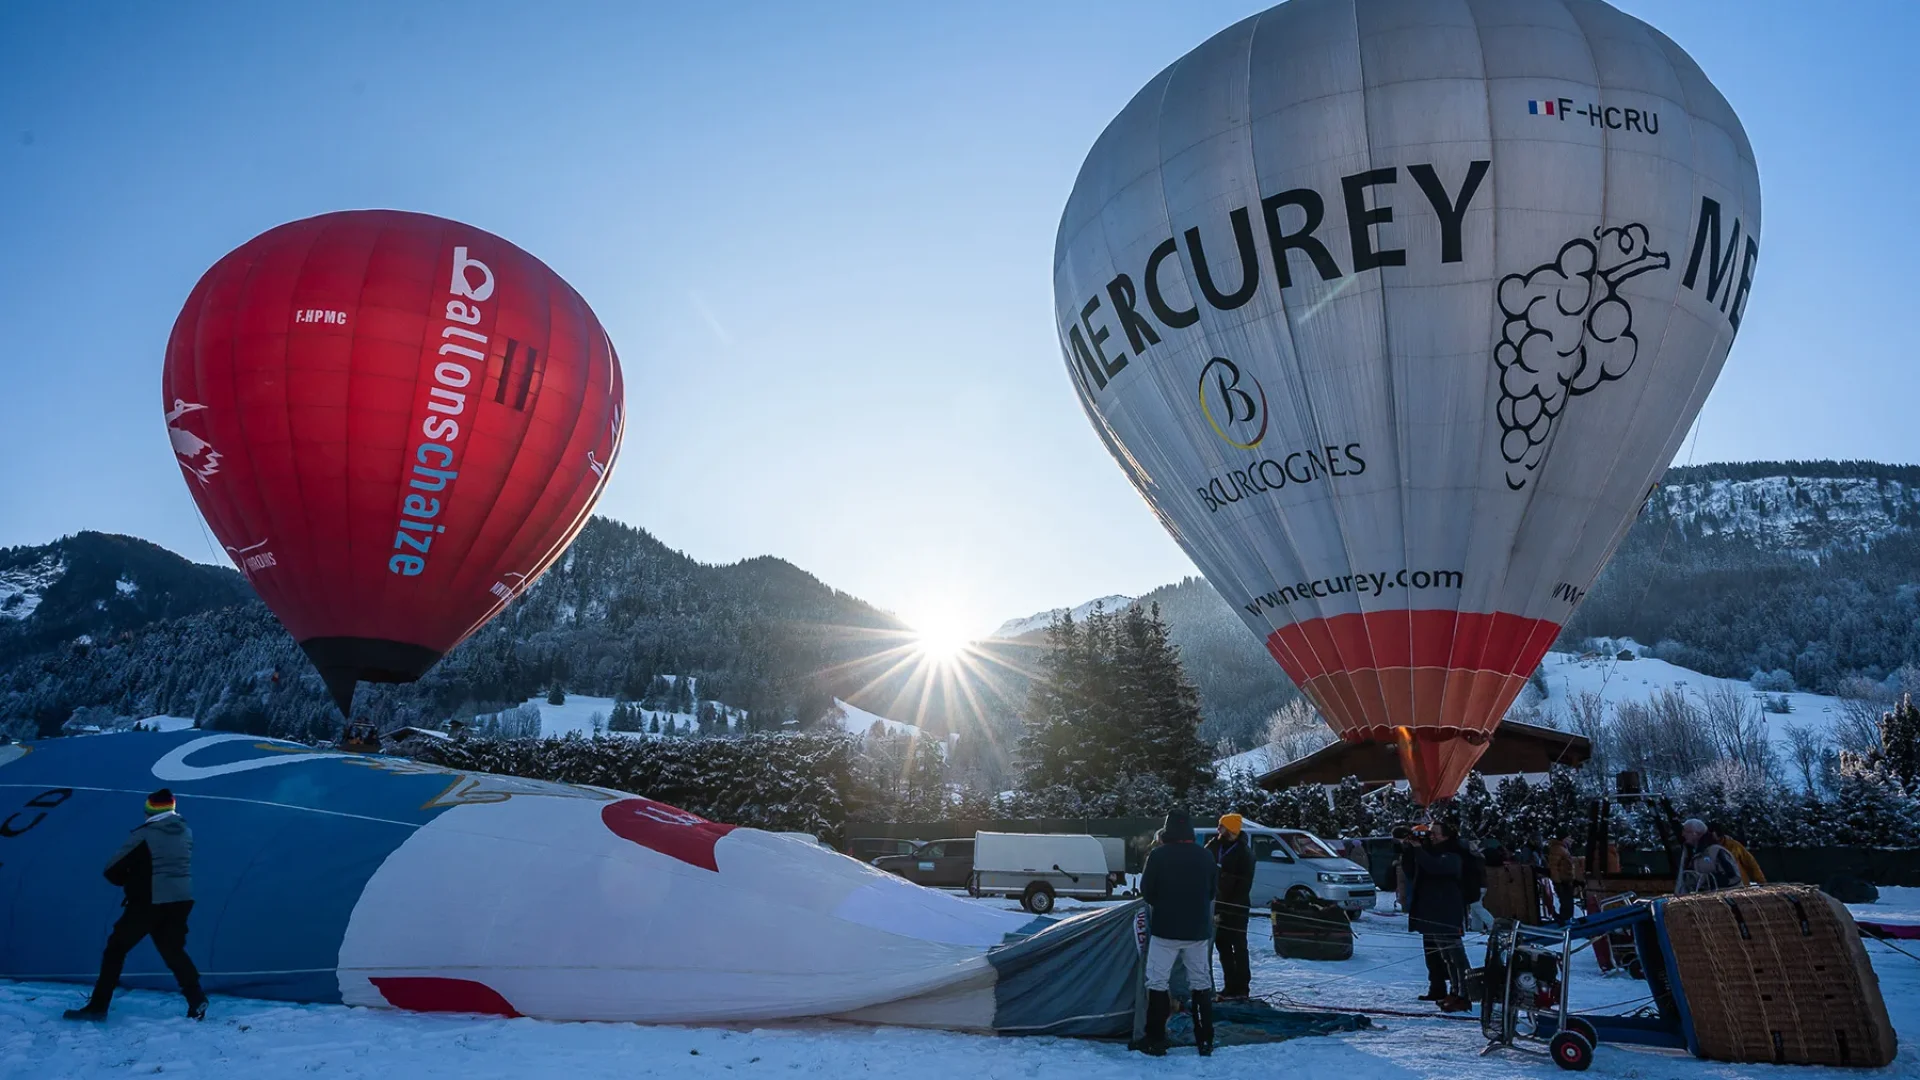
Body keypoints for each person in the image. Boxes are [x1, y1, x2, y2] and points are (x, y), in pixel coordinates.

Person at [64, 789, 207, 1021]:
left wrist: (130, 881)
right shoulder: (185, 831)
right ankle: (196, 998)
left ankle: (98, 1006)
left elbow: (112, 870)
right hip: (181, 899)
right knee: (173, 950)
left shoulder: (145, 835)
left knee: (116, 949)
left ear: (148, 810)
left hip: (149, 902)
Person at [1135, 809, 1217, 1057]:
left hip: (1165, 931)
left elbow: (1147, 892)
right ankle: (1205, 1041)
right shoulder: (1206, 856)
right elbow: (1212, 892)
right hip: (1198, 932)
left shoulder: (1158, 856)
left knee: (1157, 983)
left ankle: (1155, 1040)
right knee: (1201, 984)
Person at [1404, 821, 1472, 1012]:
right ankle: (1454, 991)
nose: (1430, 836)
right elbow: (1413, 871)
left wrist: (1419, 850)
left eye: (1434, 833)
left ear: (1446, 836)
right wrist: (1410, 849)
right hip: (1434, 910)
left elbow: (1435, 867)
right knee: (1445, 956)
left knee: (1456, 956)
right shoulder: (1431, 851)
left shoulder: (1454, 853)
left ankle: (1464, 994)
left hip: (1448, 911)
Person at [1205, 813, 1256, 1001]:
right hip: (1217, 905)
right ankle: (1229, 985)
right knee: (1223, 946)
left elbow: (1244, 885)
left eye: (1222, 826)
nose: (1218, 829)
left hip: (1237, 907)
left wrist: (1227, 907)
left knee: (1239, 946)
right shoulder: (1214, 845)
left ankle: (1242, 987)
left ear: (1231, 829)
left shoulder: (1244, 853)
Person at [1675, 818, 1740, 895]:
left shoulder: (1716, 851)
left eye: (1686, 831)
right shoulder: (1688, 853)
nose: (1683, 834)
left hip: (1723, 902)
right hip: (1699, 902)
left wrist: (1706, 880)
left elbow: (1734, 877)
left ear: (1696, 833)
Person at [1546, 833, 1577, 924]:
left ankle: (1565, 920)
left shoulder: (1563, 849)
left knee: (1567, 903)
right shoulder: (1558, 849)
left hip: (1565, 879)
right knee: (1566, 903)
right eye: (1569, 838)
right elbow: (1554, 867)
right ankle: (1564, 921)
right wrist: (1557, 881)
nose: (1571, 841)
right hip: (1562, 881)